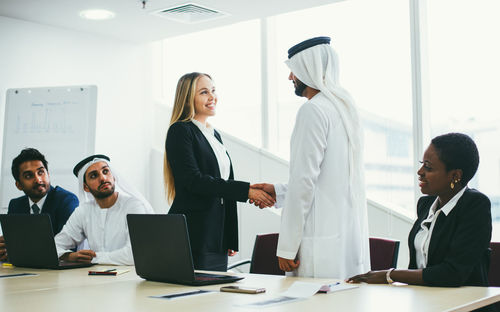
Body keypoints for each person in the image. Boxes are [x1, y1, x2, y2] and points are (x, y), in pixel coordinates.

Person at [251, 37, 370, 279]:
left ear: (308, 69)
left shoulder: (313, 110)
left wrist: (287, 246)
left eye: (293, 71)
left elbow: (304, 180)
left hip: (319, 244)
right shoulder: (344, 108)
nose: (290, 78)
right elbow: (327, 179)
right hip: (343, 241)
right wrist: (278, 191)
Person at [347, 133, 492, 288]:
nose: (420, 171)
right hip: (424, 300)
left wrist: (390, 275)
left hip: (465, 305)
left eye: (428, 167)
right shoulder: (426, 204)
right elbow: (417, 267)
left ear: (455, 176)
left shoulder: (475, 205)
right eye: (422, 163)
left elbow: (453, 273)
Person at [164, 72, 275, 272]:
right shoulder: (180, 131)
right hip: (193, 233)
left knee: (214, 298)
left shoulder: (214, 135)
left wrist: (230, 236)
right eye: (204, 92)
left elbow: (224, 185)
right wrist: (246, 190)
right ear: (188, 97)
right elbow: (194, 181)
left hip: (216, 236)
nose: (212, 97)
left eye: (213, 91)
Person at [54, 154, 154, 265]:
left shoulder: (134, 206)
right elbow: (54, 246)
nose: (102, 178)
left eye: (105, 171)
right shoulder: (83, 211)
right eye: (93, 176)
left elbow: (135, 254)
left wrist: (94, 258)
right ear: (86, 187)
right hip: (95, 277)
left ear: (114, 177)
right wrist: (69, 256)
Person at [0, 148, 78, 261]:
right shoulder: (16, 205)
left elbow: (67, 247)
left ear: (48, 174)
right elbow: (12, 245)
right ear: (18, 185)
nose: (38, 179)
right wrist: (5, 250)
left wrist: (19, 249)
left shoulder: (66, 201)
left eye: (41, 172)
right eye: (28, 176)